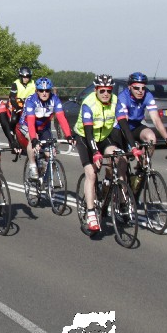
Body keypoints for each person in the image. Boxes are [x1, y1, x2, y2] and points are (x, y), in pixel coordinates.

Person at [72, 74, 119, 234]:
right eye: (102, 90)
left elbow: (123, 124)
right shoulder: (88, 103)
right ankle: (91, 213)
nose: (106, 94)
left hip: (103, 137)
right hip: (85, 138)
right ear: (96, 90)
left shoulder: (115, 101)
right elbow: (89, 132)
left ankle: (106, 184)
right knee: (91, 174)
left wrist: (133, 147)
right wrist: (95, 153)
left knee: (116, 156)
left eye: (109, 91)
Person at [19, 76, 74, 179]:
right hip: (27, 124)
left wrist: (68, 135)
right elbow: (31, 122)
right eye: (41, 90)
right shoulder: (31, 100)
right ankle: (32, 165)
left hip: (43, 126)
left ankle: (45, 179)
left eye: (47, 90)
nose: (44, 93)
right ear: (37, 91)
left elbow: (61, 118)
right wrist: (34, 139)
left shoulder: (55, 99)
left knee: (51, 153)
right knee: (32, 139)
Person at [116, 72, 167, 151]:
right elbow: (124, 121)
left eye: (143, 88)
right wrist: (130, 143)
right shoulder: (123, 97)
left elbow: (156, 119)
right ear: (129, 87)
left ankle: (145, 159)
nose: (140, 91)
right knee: (123, 156)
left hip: (136, 126)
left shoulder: (147, 95)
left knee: (151, 139)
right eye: (136, 88)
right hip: (121, 128)